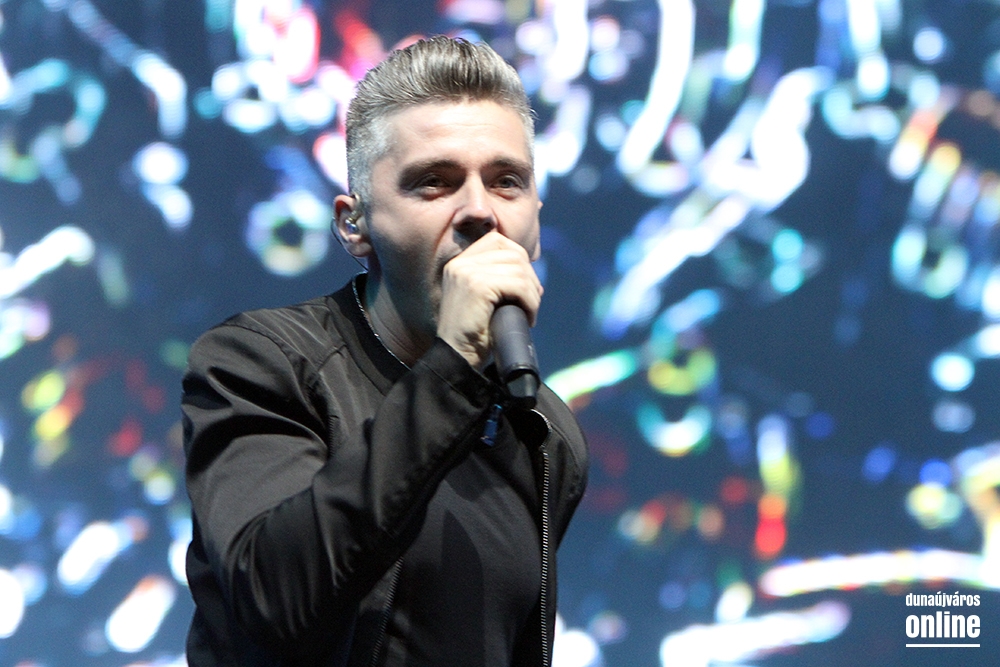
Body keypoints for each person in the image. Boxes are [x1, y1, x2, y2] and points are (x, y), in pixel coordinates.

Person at [181, 36, 589, 666]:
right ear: (355, 224)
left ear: (535, 218)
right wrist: (452, 362)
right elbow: (272, 599)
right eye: (435, 183)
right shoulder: (263, 364)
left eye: (506, 182)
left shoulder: (545, 431)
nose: (480, 211)